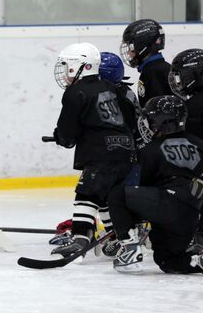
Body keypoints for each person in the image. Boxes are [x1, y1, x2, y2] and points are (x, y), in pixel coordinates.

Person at [106, 95, 203, 274]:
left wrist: (126, 224)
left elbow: (140, 186)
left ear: (160, 122)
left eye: (151, 120)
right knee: (168, 261)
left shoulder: (151, 149)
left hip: (165, 204)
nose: (148, 124)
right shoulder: (199, 144)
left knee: (117, 195)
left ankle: (129, 250)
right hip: (191, 213)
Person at [50, 43, 135, 258]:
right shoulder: (110, 86)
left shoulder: (75, 92)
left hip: (101, 153)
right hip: (125, 151)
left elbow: (68, 132)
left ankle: (80, 238)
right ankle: (118, 236)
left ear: (82, 66)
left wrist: (62, 137)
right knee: (107, 197)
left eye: (67, 65)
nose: (65, 71)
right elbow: (129, 117)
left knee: (86, 194)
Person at [169, 49, 203, 252]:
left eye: (180, 76)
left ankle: (199, 237)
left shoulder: (196, 105)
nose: (178, 81)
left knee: (195, 196)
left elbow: (195, 151)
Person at [120, 19, 172, 107]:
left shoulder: (152, 73)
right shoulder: (159, 68)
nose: (128, 53)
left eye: (131, 48)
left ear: (142, 46)